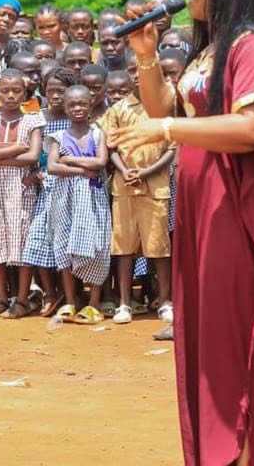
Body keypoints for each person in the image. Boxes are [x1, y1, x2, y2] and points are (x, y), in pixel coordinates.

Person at [109, 0, 254, 465]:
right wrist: (146, 57)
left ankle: (249, 451)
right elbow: (164, 106)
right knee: (209, 341)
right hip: (205, 215)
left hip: (241, 217)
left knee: (243, 342)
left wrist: (167, 128)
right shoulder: (211, 49)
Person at [100, 71, 174, 325]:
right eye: (134, 73)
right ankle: (124, 302)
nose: (140, 77)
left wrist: (146, 172)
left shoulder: (165, 108)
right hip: (124, 185)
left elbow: (172, 149)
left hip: (156, 185)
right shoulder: (119, 109)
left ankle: (165, 301)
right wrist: (124, 170)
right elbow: (110, 148)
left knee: (159, 247)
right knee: (123, 247)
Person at [0, 69, 45, 319]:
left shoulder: (33, 120)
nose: (11, 95)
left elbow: (33, 156)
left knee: (22, 242)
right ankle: (2, 299)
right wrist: (14, 149)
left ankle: (22, 300)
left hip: (21, 187)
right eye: (6, 91)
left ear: (25, 94)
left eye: (17, 91)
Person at [46, 85, 111, 324]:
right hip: (66, 199)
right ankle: (71, 302)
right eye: (72, 104)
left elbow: (101, 162)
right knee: (63, 246)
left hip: (93, 201)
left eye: (82, 103)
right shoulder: (58, 136)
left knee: (97, 246)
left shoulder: (97, 133)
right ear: (64, 107)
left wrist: (71, 160)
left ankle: (94, 303)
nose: (77, 108)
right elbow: (53, 167)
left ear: (91, 103)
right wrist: (84, 170)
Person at [21, 67, 78, 316]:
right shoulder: (37, 119)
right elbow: (30, 153)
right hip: (44, 190)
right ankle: (51, 293)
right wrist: (33, 173)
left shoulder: (77, 119)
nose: (55, 96)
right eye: (51, 90)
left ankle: (71, 296)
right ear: (43, 91)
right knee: (37, 242)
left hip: (71, 189)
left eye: (61, 91)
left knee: (66, 246)